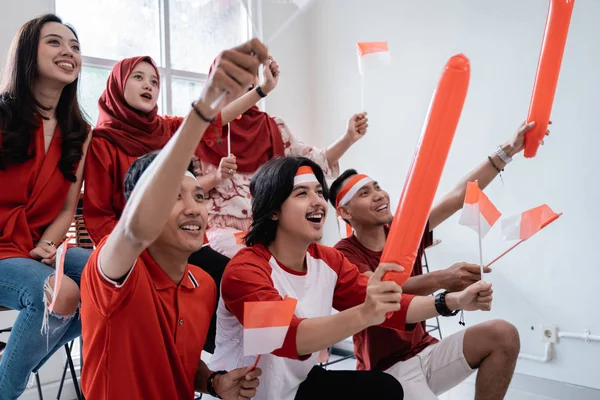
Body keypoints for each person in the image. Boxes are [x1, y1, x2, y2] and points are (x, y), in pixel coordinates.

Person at [209, 156, 494, 400]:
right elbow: (287, 337)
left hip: (299, 385)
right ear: (272, 210)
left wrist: (452, 301)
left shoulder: (325, 259)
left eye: (319, 192)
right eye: (301, 194)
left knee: (384, 390)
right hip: (255, 394)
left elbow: (389, 305)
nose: (318, 201)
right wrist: (366, 313)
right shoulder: (245, 270)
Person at [80, 38, 268, 400]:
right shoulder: (117, 273)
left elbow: (178, 357)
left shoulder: (203, 285)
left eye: (199, 197)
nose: (194, 208)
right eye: (173, 196)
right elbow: (132, 229)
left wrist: (212, 382)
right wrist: (206, 104)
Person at [330, 122, 549, 399]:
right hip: (385, 372)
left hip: (427, 352)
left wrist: (509, 149)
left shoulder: (403, 231)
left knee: (503, 334)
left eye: (377, 187)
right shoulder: (343, 254)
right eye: (364, 193)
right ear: (345, 212)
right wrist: (443, 279)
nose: (379, 195)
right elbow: (379, 292)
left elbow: (458, 197)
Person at [193, 57, 369, 258]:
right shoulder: (201, 129)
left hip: (270, 228)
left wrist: (348, 137)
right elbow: (181, 190)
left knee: (314, 260)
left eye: (249, 74)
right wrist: (217, 176)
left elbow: (316, 161)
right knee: (249, 258)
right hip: (223, 235)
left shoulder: (274, 127)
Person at [0, 14, 92, 398]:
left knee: (113, 282)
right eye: (54, 42)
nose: (68, 51)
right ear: (26, 54)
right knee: (60, 293)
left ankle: (9, 370)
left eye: (74, 46)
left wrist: (49, 246)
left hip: (35, 250)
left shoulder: (80, 133)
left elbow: (66, 210)